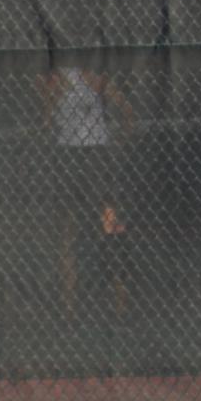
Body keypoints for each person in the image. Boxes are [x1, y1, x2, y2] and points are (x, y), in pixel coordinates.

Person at [38, 65, 134, 321]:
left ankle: (120, 303)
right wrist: (55, 94)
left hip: (96, 157)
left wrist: (120, 141)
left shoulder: (96, 75)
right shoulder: (53, 78)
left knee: (109, 224)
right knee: (67, 232)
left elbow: (126, 111)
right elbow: (44, 122)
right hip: (68, 157)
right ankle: (68, 308)